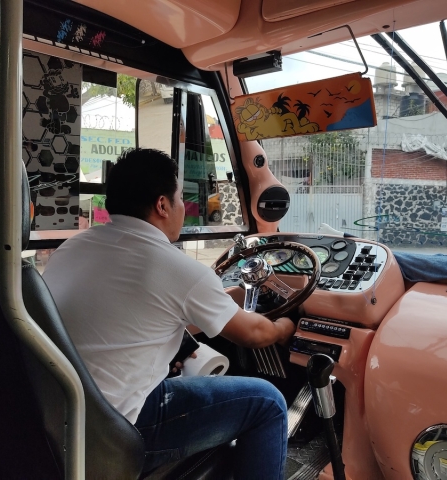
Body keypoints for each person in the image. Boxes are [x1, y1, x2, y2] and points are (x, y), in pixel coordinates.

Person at [42, 148, 296, 479]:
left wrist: (225, 298)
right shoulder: (176, 268)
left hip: (58, 415)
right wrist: (286, 326)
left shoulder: (72, 248)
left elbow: (141, 311)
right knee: (269, 403)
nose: (183, 209)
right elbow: (255, 334)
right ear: (162, 205)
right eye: (179, 200)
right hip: (118, 427)